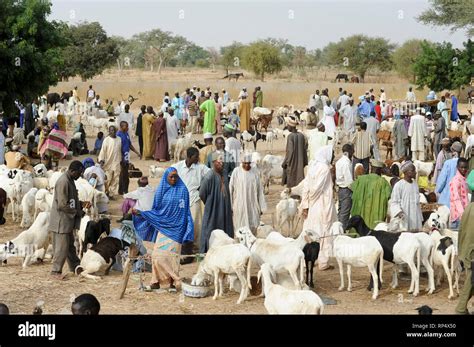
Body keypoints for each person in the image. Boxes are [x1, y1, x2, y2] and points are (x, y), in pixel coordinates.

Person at [133, 168, 193, 291]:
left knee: (172, 257)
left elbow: (186, 212)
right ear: (166, 177)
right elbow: (157, 211)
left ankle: (172, 282)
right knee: (156, 255)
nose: (173, 179)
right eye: (171, 177)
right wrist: (142, 213)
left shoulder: (183, 190)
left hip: (177, 230)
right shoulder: (161, 190)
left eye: (175, 176)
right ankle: (155, 281)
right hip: (164, 228)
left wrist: (187, 229)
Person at [48, 161, 86, 280]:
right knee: (61, 247)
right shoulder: (63, 181)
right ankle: (55, 271)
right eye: (79, 173)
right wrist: (77, 212)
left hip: (67, 221)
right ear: (73, 171)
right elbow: (62, 205)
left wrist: (80, 204)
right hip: (61, 221)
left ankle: (75, 266)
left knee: (70, 246)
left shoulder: (70, 180)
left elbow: (70, 200)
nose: (79, 176)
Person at [301, 146, 336, 270]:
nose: (333, 157)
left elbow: (306, 186)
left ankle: (310, 258)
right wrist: (311, 199)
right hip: (322, 205)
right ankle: (323, 262)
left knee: (311, 231)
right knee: (324, 232)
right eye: (332, 154)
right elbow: (316, 188)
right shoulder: (324, 169)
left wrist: (305, 205)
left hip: (312, 206)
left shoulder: (312, 167)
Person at [175, 147, 210, 254]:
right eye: (196, 156)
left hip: (194, 200)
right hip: (181, 201)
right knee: (182, 224)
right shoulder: (178, 167)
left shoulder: (200, 168)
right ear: (189, 157)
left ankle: (196, 248)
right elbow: (168, 175)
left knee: (196, 225)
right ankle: (183, 247)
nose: (198, 158)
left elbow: (211, 175)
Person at [200, 152, 233, 253]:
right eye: (219, 163)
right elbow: (202, 193)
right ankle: (206, 252)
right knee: (210, 229)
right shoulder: (209, 176)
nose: (221, 164)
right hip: (213, 209)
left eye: (222, 162)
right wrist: (210, 203)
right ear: (213, 162)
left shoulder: (224, 174)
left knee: (225, 229)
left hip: (225, 208)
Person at [229, 154, 266, 232]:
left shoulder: (255, 172)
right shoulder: (236, 172)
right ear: (242, 162)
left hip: (252, 205)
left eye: (248, 163)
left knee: (253, 228)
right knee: (240, 228)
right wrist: (230, 206)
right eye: (245, 163)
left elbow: (260, 191)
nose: (246, 165)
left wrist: (261, 207)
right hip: (239, 205)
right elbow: (230, 189)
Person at [350, 159, 392, 229]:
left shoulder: (361, 179)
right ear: (380, 170)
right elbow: (389, 196)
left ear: (371, 168)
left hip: (360, 220)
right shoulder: (384, 183)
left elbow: (352, 189)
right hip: (375, 222)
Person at [390, 162, 423, 231]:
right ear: (406, 172)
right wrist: (399, 212)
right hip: (405, 218)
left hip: (416, 218)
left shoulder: (415, 184)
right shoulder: (399, 185)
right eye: (413, 170)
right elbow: (394, 202)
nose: (415, 172)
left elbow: (417, 203)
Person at [455, 202, 474, 314]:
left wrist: (461, 250)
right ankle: (461, 309)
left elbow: (461, 230)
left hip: (467, 249)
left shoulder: (469, 207)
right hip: (472, 250)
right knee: (471, 281)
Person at [282, 118, 308, 188]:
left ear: (291, 126)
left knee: (291, 180)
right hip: (300, 162)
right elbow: (305, 149)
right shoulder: (301, 136)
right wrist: (305, 161)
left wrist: (286, 162)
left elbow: (290, 151)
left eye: (288, 126)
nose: (287, 127)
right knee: (299, 179)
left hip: (292, 163)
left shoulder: (290, 136)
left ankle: (292, 195)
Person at [436, 141, 463, 208]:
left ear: (452, 150)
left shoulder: (448, 163)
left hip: (447, 197)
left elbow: (442, 181)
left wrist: (438, 190)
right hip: (460, 197)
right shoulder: (464, 163)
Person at [98, 125, 122, 199]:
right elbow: (103, 150)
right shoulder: (106, 140)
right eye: (111, 130)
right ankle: (106, 192)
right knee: (108, 178)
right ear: (109, 131)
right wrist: (101, 160)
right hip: (108, 162)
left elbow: (120, 150)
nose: (113, 132)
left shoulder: (119, 139)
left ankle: (111, 193)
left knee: (116, 178)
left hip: (117, 161)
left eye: (114, 130)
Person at [117, 121, 140, 195]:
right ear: (122, 126)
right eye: (126, 126)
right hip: (122, 157)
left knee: (123, 174)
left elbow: (129, 144)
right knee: (124, 175)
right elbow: (118, 148)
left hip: (127, 156)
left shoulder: (126, 134)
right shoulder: (118, 135)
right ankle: (124, 190)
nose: (127, 128)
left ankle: (121, 190)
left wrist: (137, 152)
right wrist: (121, 158)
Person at [336, 143, 354, 230]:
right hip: (346, 190)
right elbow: (349, 180)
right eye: (352, 151)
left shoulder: (339, 161)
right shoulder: (346, 163)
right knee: (345, 213)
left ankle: (337, 230)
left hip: (340, 189)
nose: (353, 153)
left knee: (340, 212)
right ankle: (341, 232)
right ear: (348, 152)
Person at [449, 158, 469, 230]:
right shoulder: (456, 180)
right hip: (458, 217)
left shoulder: (463, 179)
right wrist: (462, 214)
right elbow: (456, 199)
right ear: (457, 167)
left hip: (463, 215)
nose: (463, 169)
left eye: (465, 167)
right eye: (462, 167)